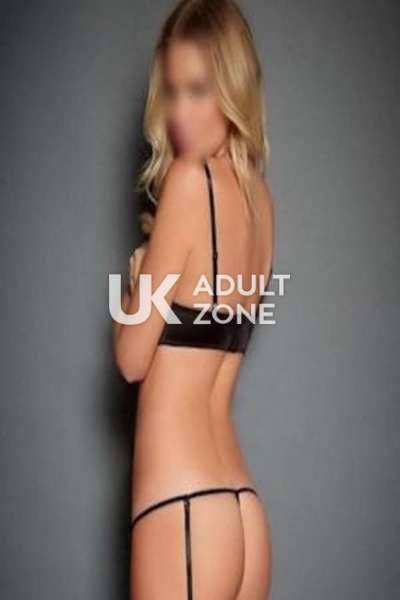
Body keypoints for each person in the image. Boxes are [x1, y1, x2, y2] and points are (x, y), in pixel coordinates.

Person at [113, 1, 275, 598]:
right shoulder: (261, 201)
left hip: (181, 503)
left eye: (198, 90)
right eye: (172, 91)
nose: (179, 112)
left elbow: (131, 359)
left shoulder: (189, 181)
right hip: (241, 506)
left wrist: (134, 286)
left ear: (232, 88)